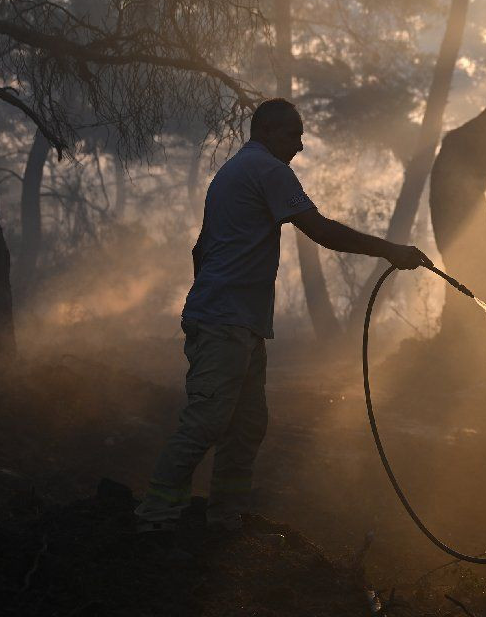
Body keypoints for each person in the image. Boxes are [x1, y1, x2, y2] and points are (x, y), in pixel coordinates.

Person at [135, 98, 429, 531]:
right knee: (208, 419)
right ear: (269, 132)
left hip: (235, 319)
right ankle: (156, 515)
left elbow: (201, 249)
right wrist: (390, 250)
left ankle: (226, 515)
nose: (300, 146)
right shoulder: (269, 170)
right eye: (295, 135)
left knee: (247, 423)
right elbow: (320, 229)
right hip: (226, 320)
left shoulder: (233, 172)